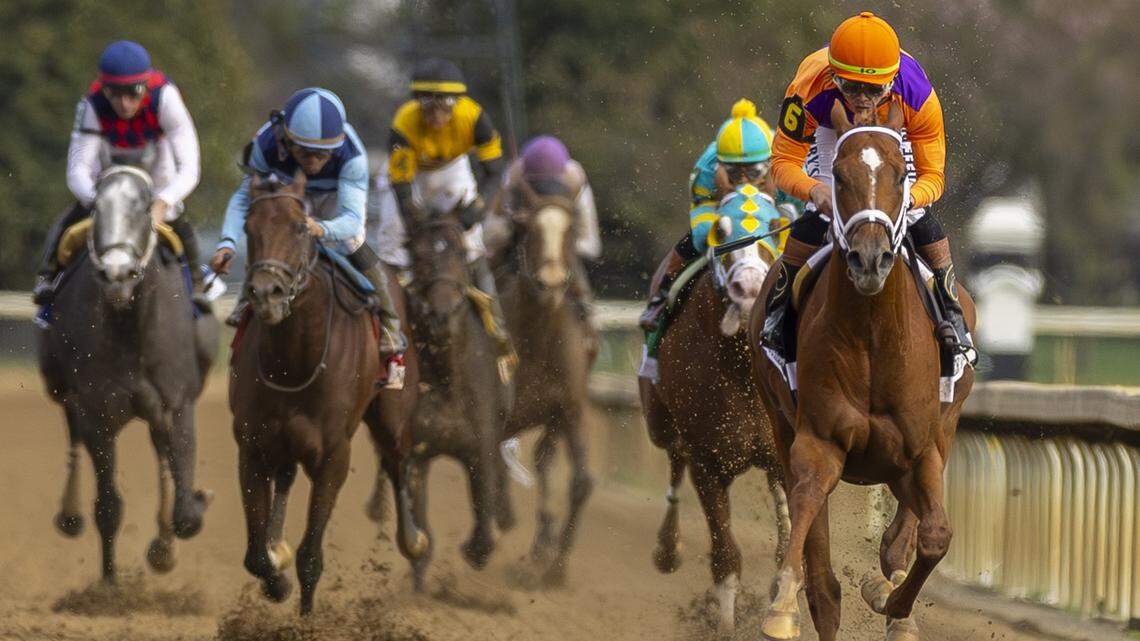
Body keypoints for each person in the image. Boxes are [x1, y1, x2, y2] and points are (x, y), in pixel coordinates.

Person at [760, 11, 974, 362]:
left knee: (918, 214)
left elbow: (933, 177)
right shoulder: (809, 90)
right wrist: (814, 190)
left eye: (872, 89)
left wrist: (905, 199)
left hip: (894, 128)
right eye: (851, 87)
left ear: (891, 81)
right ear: (833, 76)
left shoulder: (918, 97)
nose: (861, 99)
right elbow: (782, 163)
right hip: (831, 128)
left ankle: (952, 313)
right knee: (820, 213)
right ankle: (778, 312)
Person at [209, 87, 407, 357]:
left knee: (353, 241)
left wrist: (321, 228)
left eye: (322, 154)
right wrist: (227, 242)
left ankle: (389, 321)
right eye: (305, 152)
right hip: (288, 192)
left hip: (335, 196)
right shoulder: (265, 142)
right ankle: (247, 297)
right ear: (287, 140)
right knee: (271, 227)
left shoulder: (353, 156)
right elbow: (244, 197)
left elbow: (351, 220)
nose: (314, 161)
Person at [34, 40, 203, 305]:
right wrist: (96, 200)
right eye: (115, 94)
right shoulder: (91, 104)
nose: (124, 104)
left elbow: (190, 167)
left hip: (156, 166)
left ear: (145, 87)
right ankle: (47, 277)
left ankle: (198, 287)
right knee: (72, 217)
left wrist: (164, 201)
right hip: (110, 169)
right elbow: (77, 169)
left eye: (133, 94)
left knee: (177, 220)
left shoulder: (167, 97)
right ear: (105, 89)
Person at [385, 58, 513, 356]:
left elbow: (494, 173)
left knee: (470, 243)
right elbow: (400, 184)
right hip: (412, 175)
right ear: (418, 103)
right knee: (391, 240)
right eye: (429, 105)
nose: (437, 113)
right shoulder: (404, 122)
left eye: (446, 104)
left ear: (458, 102)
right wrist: (412, 221)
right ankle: (390, 322)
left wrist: (476, 210)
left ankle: (496, 322)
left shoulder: (476, 117)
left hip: (452, 169)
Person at [639, 99, 780, 332]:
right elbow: (702, 206)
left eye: (754, 172)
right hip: (720, 207)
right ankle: (661, 297)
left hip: (774, 206)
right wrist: (708, 229)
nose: (744, 180)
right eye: (734, 172)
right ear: (720, 166)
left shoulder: (783, 157)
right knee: (696, 239)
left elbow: (799, 204)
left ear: (768, 164)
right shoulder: (707, 167)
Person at [494, 135, 601, 315]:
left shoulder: (576, 180)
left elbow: (592, 245)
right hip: (518, 251)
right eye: (537, 186)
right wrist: (512, 222)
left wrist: (558, 235)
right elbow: (490, 232)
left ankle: (590, 327)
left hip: (565, 258)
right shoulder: (514, 175)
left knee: (581, 285)